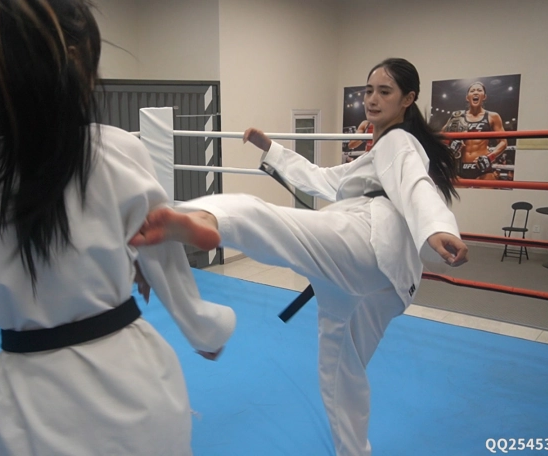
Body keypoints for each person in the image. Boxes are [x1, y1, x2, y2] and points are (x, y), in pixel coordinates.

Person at [0, 1, 235, 455]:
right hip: (131, 379)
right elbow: (159, 251)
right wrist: (205, 330)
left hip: (28, 395)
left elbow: (17, 247)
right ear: (83, 65)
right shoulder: (118, 150)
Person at [130, 58, 469, 456]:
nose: (372, 100)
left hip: (367, 239)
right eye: (368, 91)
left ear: (408, 99)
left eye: (384, 92)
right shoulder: (376, 152)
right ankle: (353, 451)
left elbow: (415, 184)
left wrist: (438, 226)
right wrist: (272, 150)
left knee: (261, 217)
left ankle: (206, 218)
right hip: (387, 282)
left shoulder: (399, 142)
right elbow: (324, 180)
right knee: (341, 373)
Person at [440, 81, 508, 180]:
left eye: (479, 90)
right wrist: (450, 143)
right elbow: (440, 136)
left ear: (484, 97)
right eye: (472, 91)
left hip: (482, 167)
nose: (476, 92)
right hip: (460, 167)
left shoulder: (492, 116)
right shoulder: (457, 116)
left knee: (488, 189)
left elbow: (503, 142)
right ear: (467, 97)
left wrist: (490, 157)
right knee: (456, 190)